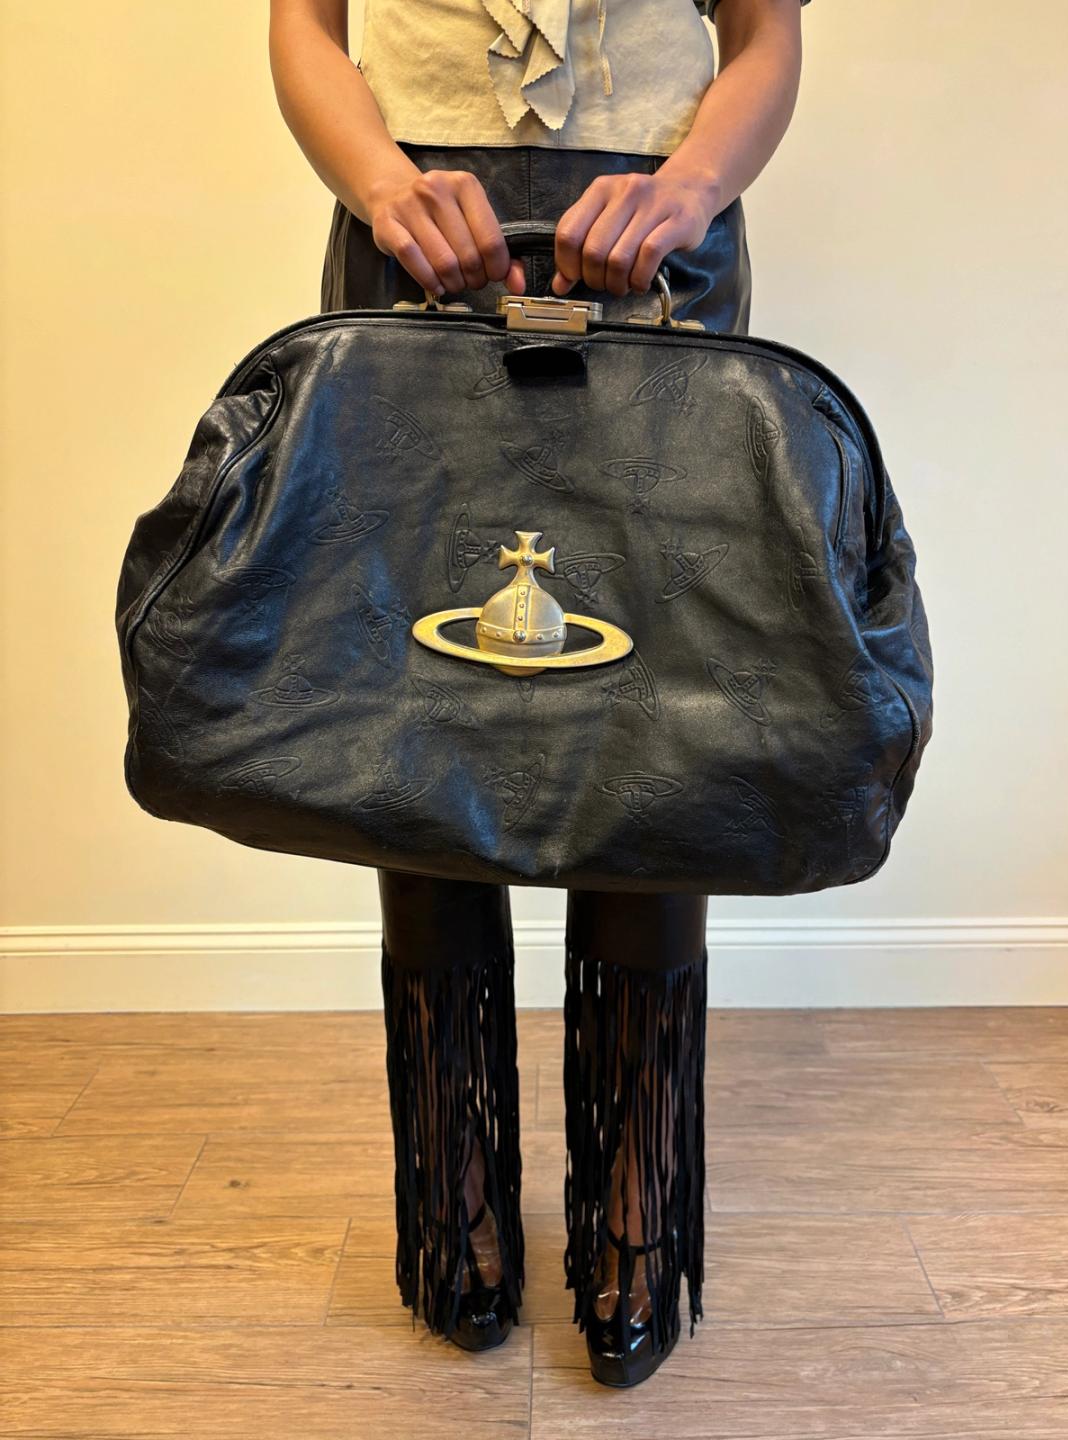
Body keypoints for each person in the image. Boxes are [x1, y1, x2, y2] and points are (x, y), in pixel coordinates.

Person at [269, 0, 808, 1388]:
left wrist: (691, 187)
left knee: (661, 705)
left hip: (662, 211)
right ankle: (456, 1195)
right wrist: (379, 180)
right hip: (406, 210)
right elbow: (303, 22)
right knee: (416, 692)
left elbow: (765, 33)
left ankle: (635, 1200)